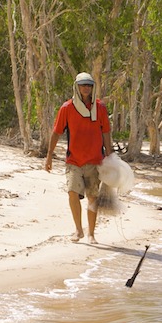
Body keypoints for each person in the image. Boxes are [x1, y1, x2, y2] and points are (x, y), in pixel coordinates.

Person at [44, 72, 113, 243]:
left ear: (93, 87)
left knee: (92, 197)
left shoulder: (100, 108)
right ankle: (78, 230)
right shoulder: (67, 108)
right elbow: (56, 132)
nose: (86, 88)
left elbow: (106, 133)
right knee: (72, 192)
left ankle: (91, 234)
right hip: (74, 160)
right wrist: (49, 156)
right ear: (77, 86)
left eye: (89, 85)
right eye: (83, 85)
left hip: (95, 160)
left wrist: (110, 157)